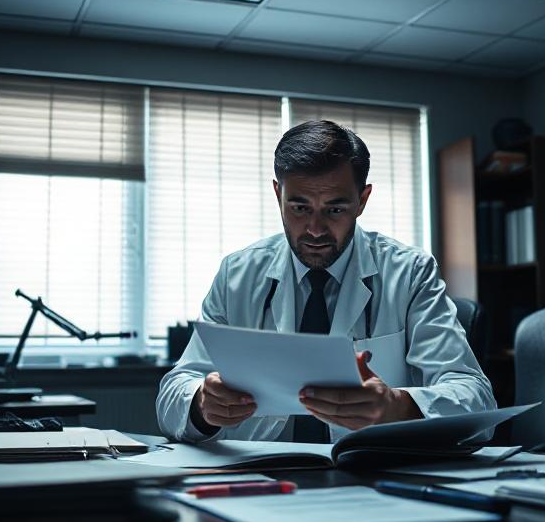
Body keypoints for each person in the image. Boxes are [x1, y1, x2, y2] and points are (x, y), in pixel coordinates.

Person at [156, 120, 494, 443]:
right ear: (278, 195)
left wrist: (397, 406)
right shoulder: (237, 275)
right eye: (300, 208)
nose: (315, 230)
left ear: (362, 200)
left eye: (334, 209)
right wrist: (201, 404)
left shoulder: (410, 272)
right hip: (261, 475)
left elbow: (476, 399)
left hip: (369, 476)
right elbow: (174, 392)